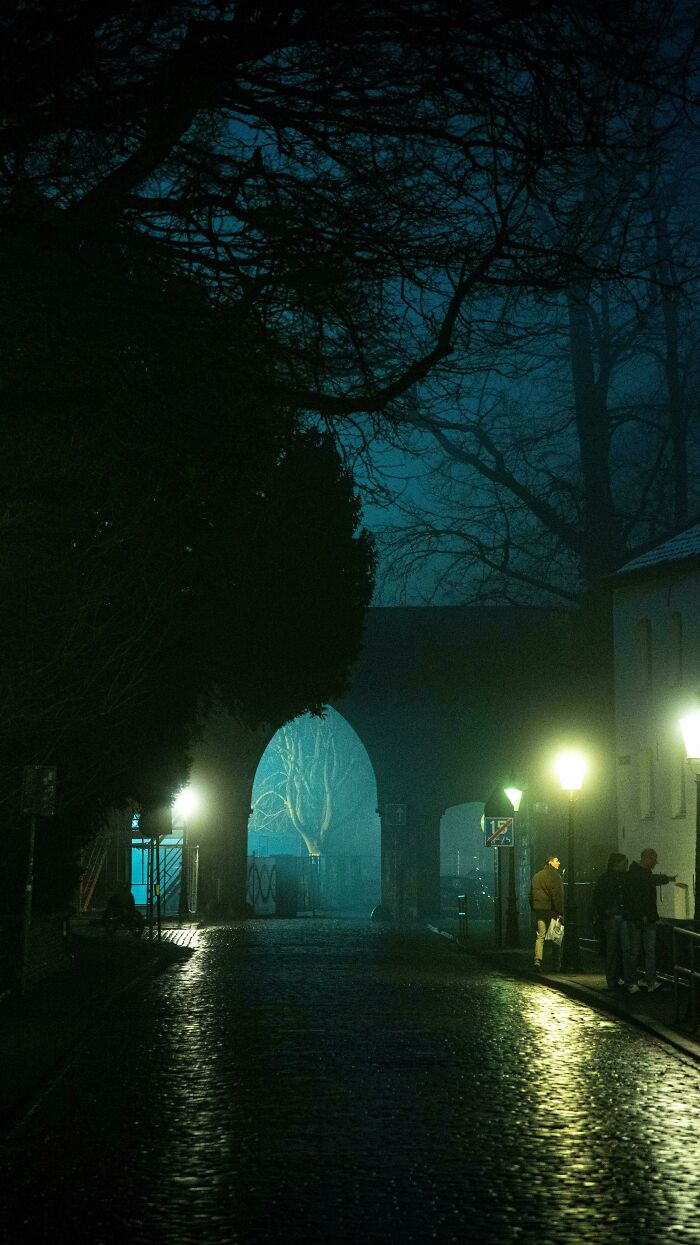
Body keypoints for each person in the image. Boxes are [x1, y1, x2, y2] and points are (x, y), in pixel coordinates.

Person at [625, 848, 676, 993]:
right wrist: (644, 914)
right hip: (643, 917)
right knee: (646, 951)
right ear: (647, 858)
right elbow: (639, 896)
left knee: (637, 951)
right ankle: (648, 981)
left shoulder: (635, 873)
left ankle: (634, 982)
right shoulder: (642, 875)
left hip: (638, 917)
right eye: (654, 859)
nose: (656, 862)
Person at [592, 852, 635, 992]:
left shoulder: (607, 878)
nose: (626, 865)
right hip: (616, 916)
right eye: (624, 862)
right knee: (619, 949)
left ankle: (615, 980)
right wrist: (606, 911)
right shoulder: (612, 879)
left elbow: (597, 897)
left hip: (618, 916)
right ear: (617, 863)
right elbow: (598, 898)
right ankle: (624, 980)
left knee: (617, 949)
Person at [529, 852, 564, 972]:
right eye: (556, 861)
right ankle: (556, 963)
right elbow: (557, 895)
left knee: (540, 936)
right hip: (553, 910)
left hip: (540, 910)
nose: (559, 863)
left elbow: (531, 894)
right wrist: (560, 911)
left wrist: (534, 907)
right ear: (550, 862)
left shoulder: (536, 876)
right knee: (556, 937)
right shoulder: (555, 876)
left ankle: (537, 961)